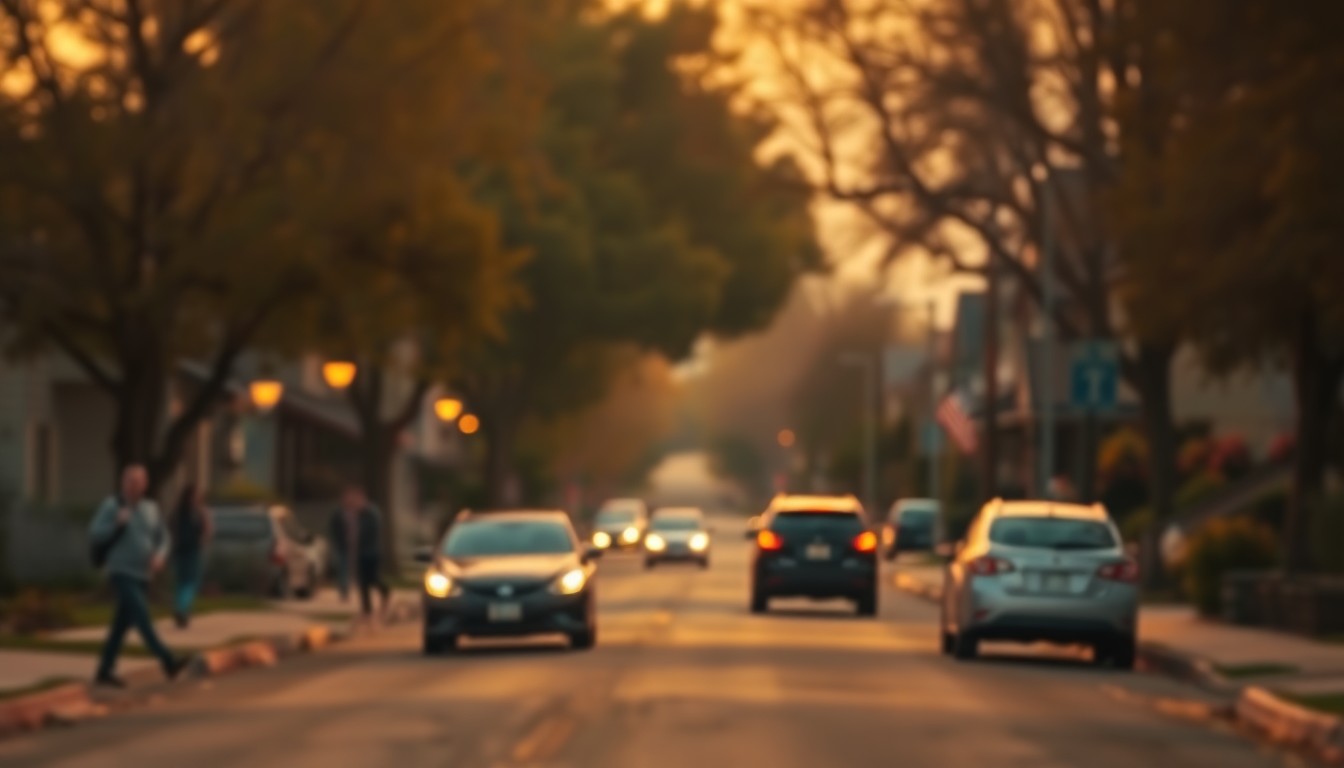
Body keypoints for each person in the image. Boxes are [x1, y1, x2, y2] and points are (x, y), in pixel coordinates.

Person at [89, 465, 189, 687]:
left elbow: (164, 537)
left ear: (145, 484)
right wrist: (116, 523)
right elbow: (94, 532)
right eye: (129, 480)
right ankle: (168, 661)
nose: (133, 485)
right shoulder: (112, 505)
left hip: (143, 574)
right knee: (142, 619)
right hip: (121, 571)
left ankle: (104, 671)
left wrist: (160, 556)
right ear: (123, 483)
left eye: (138, 481)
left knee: (120, 627)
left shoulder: (150, 508)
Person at [329, 486, 389, 618]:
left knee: (372, 578)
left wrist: (357, 536)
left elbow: (370, 532)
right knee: (363, 582)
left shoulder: (372, 513)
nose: (354, 503)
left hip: (372, 552)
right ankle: (366, 609)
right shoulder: (358, 514)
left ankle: (384, 591)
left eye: (357, 500)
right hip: (360, 552)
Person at [170, 482, 212, 628]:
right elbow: (208, 530)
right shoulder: (200, 511)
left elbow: (171, 529)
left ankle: (180, 609)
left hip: (179, 550)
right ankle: (182, 609)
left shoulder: (177, 510)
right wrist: (203, 542)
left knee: (181, 582)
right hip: (193, 550)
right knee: (191, 582)